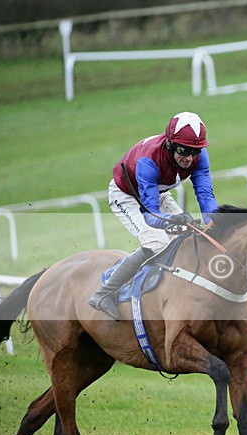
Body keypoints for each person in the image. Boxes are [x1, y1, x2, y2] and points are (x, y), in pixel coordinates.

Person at [88, 111, 220, 320]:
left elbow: (205, 195)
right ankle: (104, 293)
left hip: (159, 194)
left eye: (195, 151)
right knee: (156, 242)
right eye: (183, 150)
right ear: (169, 144)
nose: (189, 158)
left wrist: (216, 222)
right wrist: (172, 220)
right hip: (127, 196)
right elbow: (150, 215)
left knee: (188, 239)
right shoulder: (148, 160)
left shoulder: (198, 157)